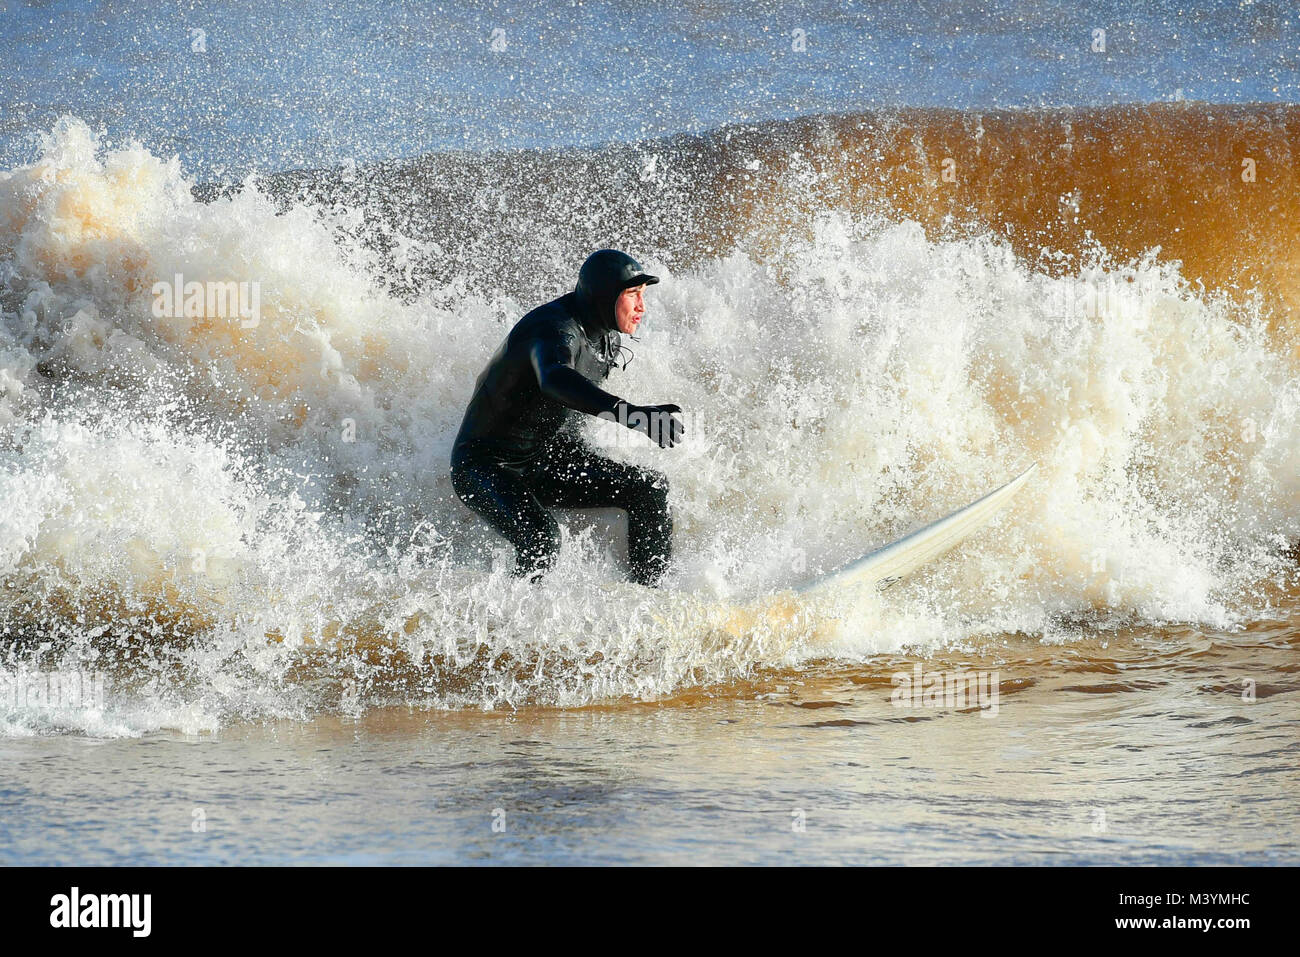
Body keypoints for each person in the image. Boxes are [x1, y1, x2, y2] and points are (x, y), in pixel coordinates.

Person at [450, 249, 685, 586]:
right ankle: (509, 627)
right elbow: (554, 379)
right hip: (486, 466)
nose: (641, 307)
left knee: (649, 488)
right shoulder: (554, 329)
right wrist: (631, 414)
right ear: (604, 296)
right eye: (632, 295)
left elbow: (570, 408)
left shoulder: (608, 338)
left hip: (545, 459)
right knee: (542, 540)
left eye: (643, 295)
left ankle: (651, 599)